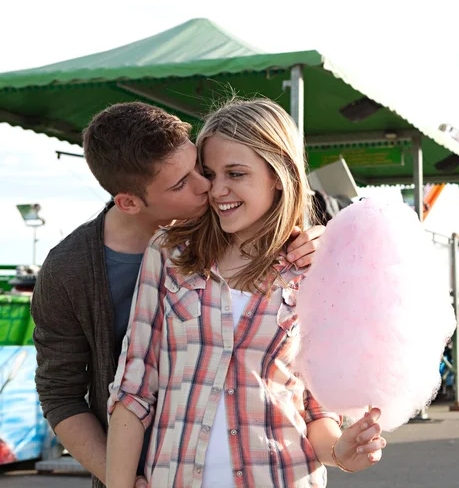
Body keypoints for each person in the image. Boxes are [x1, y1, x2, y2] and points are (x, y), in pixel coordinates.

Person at [31, 102, 324, 488]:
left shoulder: (241, 225)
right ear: (129, 203)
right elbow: (62, 394)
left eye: (198, 167)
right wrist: (123, 480)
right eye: (185, 182)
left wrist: (323, 242)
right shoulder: (70, 271)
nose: (209, 187)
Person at [106, 98, 386, 487]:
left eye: (235, 173)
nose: (218, 189)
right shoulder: (169, 253)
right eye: (209, 173)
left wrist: (343, 453)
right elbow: (133, 388)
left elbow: (316, 409)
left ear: (278, 174)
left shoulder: (314, 267)